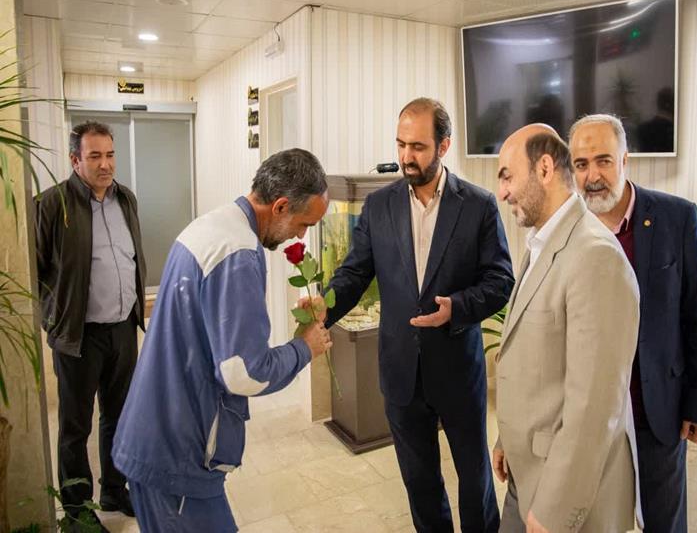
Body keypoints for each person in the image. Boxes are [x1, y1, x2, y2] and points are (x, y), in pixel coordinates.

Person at [111, 149, 332, 532]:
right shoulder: (238, 253)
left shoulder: (211, 226)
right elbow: (244, 374)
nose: (301, 236)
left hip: (153, 435)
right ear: (280, 206)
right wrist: (304, 347)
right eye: (303, 224)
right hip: (177, 456)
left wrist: (299, 335)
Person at [320, 98, 514, 532]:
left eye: (418, 147)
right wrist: (324, 305)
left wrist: (457, 308)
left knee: (475, 480)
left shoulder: (479, 205)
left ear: (444, 146)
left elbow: (501, 280)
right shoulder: (379, 206)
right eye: (401, 144)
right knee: (419, 482)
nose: (406, 156)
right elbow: (354, 273)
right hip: (401, 372)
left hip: (458, 370)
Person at [568, 114, 697, 533]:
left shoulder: (676, 218)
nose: (592, 176)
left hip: (656, 409)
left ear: (625, 160)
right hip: (589, 416)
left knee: (663, 521)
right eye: (581, 164)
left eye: (603, 160)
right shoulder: (566, 228)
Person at [493, 125, 640, 533]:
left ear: (544, 169)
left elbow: (594, 407)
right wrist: (508, 439)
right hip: (526, 469)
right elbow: (534, 361)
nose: (502, 193)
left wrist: (555, 512)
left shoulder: (595, 256)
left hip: (563, 492)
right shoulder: (543, 242)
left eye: (507, 176)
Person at [36, 121, 147, 532]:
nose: (105, 164)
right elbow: (35, 269)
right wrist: (55, 320)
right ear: (75, 160)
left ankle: (114, 489)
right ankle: (77, 511)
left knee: (119, 417)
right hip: (79, 336)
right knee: (75, 427)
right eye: (95, 156)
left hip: (122, 329)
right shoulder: (52, 204)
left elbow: (131, 258)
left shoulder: (126, 199)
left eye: (110, 155)